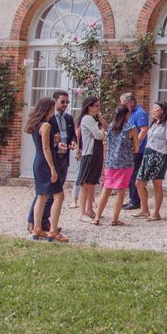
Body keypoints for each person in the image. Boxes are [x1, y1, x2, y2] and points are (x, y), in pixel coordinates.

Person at [27, 91, 77, 235]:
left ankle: (39, 227)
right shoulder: (47, 125)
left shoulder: (37, 124)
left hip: (45, 160)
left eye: (67, 102)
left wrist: (57, 143)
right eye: (62, 102)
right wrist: (52, 169)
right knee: (56, 196)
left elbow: (48, 144)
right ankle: (50, 229)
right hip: (47, 162)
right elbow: (46, 148)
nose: (65, 105)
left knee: (43, 195)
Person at [95, 105, 139, 226]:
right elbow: (136, 149)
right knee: (121, 191)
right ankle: (115, 219)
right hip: (125, 163)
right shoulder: (131, 129)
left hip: (110, 163)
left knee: (106, 189)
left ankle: (97, 217)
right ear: (127, 115)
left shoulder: (110, 127)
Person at [136, 101, 167, 221]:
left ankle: (156, 213)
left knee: (157, 184)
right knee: (139, 183)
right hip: (148, 155)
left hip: (159, 155)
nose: (153, 110)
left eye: (156, 108)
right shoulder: (154, 124)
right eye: (152, 108)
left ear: (162, 111)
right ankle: (145, 209)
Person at [74, 97, 104, 221]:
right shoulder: (87, 119)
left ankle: (90, 209)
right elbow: (98, 135)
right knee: (85, 183)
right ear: (89, 107)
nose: (98, 108)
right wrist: (102, 131)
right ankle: (82, 213)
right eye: (96, 105)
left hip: (96, 152)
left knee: (92, 182)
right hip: (89, 153)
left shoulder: (93, 119)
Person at [122, 92, 151, 211]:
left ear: (131, 103)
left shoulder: (140, 113)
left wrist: (135, 144)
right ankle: (132, 199)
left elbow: (144, 130)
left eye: (124, 104)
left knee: (134, 175)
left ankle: (135, 201)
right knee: (131, 174)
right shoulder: (133, 113)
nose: (123, 106)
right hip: (134, 150)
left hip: (138, 151)